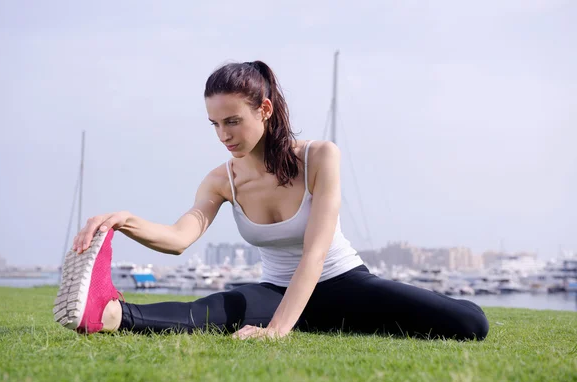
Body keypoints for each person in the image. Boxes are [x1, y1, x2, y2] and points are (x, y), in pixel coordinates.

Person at [53, 60, 489, 341]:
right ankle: (111, 315)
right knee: (211, 309)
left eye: (233, 121)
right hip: (275, 291)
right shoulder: (219, 180)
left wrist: (278, 330)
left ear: (263, 109)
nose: (223, 135)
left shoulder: (319, 156)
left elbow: (316, 254)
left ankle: (328, 318)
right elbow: (178, 238)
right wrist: (125, 220)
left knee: (470, 324)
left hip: (345, 284)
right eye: (214, 124)